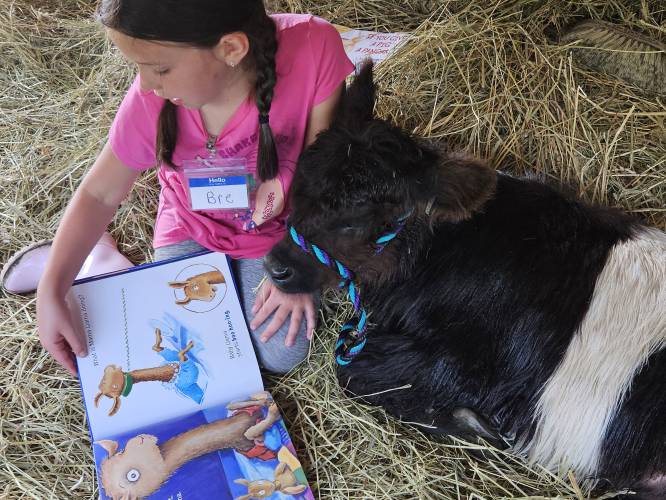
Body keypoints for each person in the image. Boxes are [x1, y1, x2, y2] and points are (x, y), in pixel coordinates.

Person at [34, 0, 355, 376]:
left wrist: (297, 267)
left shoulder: (315, 47)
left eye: (160, 69)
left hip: (277, 230)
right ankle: (103, 258)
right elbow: (99, 193)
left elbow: (323, 173)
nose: (148, 85)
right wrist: (51, 289)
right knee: (188, 342)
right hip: (192, 224)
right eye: (138, 68)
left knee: (280, 356)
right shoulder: (151, 100)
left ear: (231, 49)